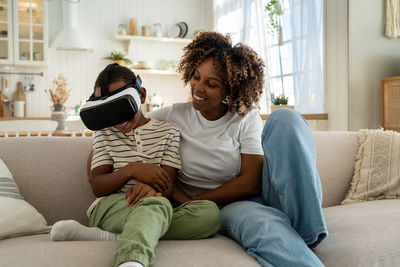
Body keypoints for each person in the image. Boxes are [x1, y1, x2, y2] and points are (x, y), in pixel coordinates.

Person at [85, 31, 328, 266]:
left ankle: (309, 233)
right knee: (266, 228)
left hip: (245, 195)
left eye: (211, 84)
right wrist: (113, 164)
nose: (198, 89)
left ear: (231, 88)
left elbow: (252, 180)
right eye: (195, 76)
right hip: (224, 210)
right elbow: (122, 129)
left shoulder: (245, 118)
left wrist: (193, 200)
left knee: (286, 118)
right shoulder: (172, 115)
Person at [50, 64, 221, 267]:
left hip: (157, 204)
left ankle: (111, 236)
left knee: (210, 214)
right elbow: (97, 186)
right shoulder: (104, 134)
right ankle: (131, 259)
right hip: (111, 207)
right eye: (109, 111)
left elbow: (167, 186)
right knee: (156, 206)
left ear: (141, 95)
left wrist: (150, 189)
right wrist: (132, 169)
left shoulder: (169, 132)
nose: (118, 120)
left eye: (122, 108)